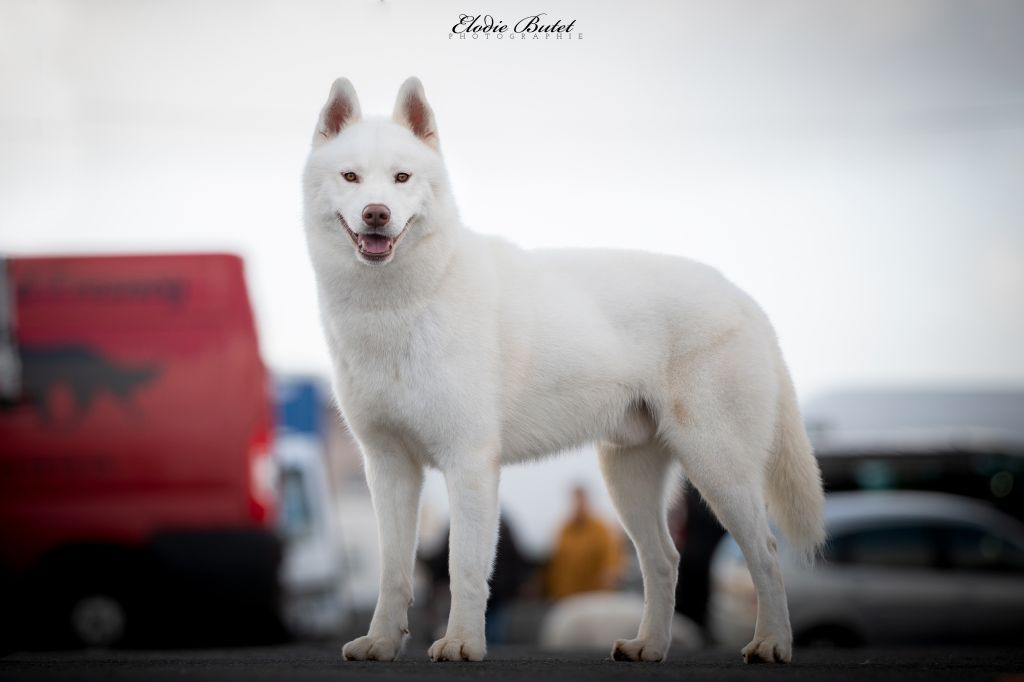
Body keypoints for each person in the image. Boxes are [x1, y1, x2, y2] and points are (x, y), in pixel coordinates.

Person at [545, 486, 623, 599]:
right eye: (575, 501)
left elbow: (612, 557)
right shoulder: (564, 530)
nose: (578, 505)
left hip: (594, 595)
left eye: (581, 500)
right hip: (568, 596)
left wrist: (610, 575)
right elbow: (557, 561)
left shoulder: (601, 529)